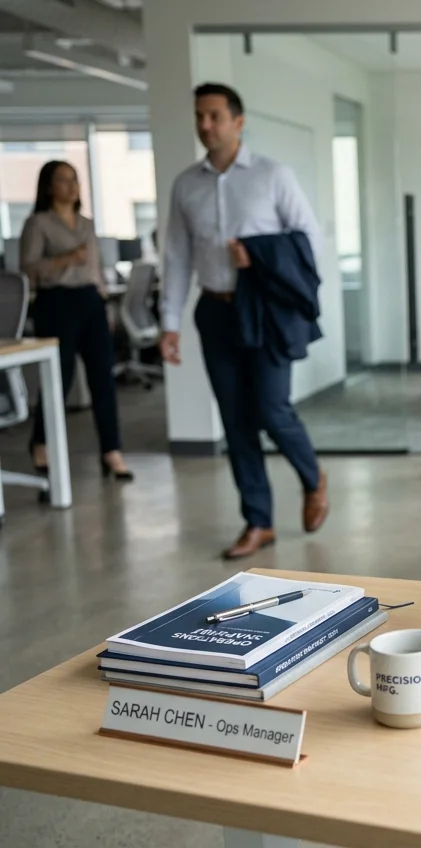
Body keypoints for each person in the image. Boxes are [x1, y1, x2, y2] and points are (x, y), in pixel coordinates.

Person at [159, 82, 329, 560]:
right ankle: (259, 521)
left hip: (266, 312)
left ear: (238, 121)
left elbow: (310, 241)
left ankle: (313, 476)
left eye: (214, 116)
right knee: (235, 422)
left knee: (272, 409)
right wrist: (168, 323)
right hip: (214, 310)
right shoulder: (186, 184)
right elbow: (175, 257)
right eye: (199, 116)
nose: (205, 125)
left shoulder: (273, 175)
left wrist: (259, 255)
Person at [20, 160, 133, 481]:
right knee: (62, 378)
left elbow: (95, 269)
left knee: (103, 378)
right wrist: (66, 259)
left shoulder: (86, 224)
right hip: (56, 303)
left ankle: (112, 451)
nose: (72, 186)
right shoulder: (38, 224)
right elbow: (27, 269)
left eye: (75, 180)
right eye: (64, 180)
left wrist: (106, 306)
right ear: (48, 187)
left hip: (90, 302)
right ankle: (40, 443)